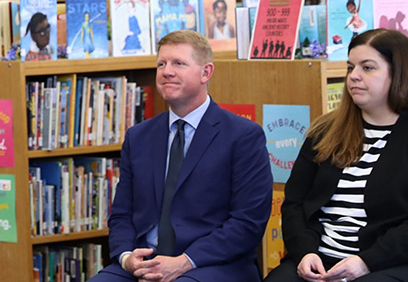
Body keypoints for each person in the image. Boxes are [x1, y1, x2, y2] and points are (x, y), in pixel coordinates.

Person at [89, 30, 272, 282]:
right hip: (145, 263)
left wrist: (183, 262)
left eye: (179, 63)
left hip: (211, 264)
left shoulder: (243, 136)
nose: (167, 71)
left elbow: (247, 222)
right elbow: (122, 214)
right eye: (161, 64)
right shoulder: (139, 137)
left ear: (206, 72)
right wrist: (126, 258)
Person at [264, 28, 408, 282]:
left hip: (396, 262)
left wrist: (367, 261)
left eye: (367, 68)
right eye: (350, 67)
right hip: (321, 260)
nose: (353, 76)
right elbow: (294, 203)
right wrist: (304, 253)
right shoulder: (326, 130)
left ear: (398, 73)